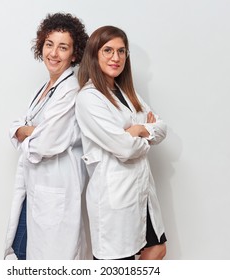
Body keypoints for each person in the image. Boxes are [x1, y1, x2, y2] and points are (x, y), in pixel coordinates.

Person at [75, 25, 167, 260]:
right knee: (116, 263)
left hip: (141, 191)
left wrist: (137, 130)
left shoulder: (127, 93)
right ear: (94, 54)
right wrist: (143, 133)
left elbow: (162, 128)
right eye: (108, 50)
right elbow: (124, 148)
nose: (116, 57)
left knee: (156, 249)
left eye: (121, 51)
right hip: (114, 196)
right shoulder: (89, 98)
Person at [4, 13, 89, 260]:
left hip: (55, 189)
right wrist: (25, 130)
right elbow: (17, 126)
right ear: (41, 46)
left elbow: (45, 143)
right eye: (49, 44)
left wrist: (27, 131)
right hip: (34, 190)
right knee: (21, 253)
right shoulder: (44, 88)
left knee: (48, 261)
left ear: (74, 54)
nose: (54, 53)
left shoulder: (71, 89)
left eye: (63, 47)